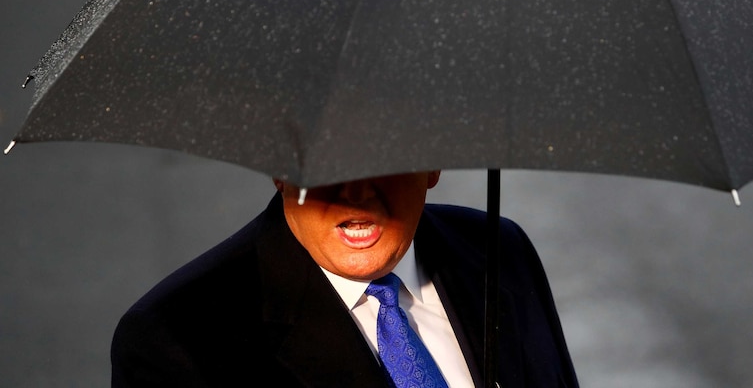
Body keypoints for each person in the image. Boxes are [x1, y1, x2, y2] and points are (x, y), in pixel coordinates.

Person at [111, 171, 579, 387]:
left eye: (385, 155)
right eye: (329, 162)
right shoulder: (176, 339)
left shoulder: (499, 250)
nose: (356, 191)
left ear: (433, 163)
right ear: (279, 169)